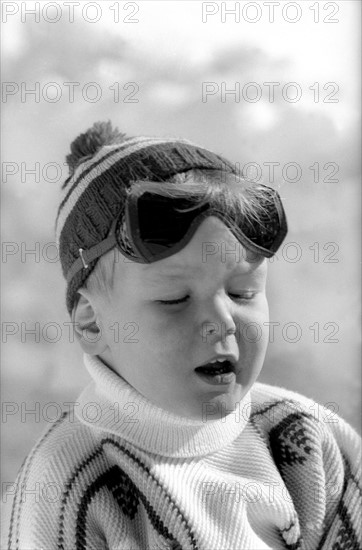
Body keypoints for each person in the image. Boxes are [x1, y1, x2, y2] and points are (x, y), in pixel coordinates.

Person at [3, 122, 361, 549]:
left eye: (242, 292)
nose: (222, 321)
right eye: (175, 299)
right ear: (92, 323)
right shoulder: (70, 483)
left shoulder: (307, 438)